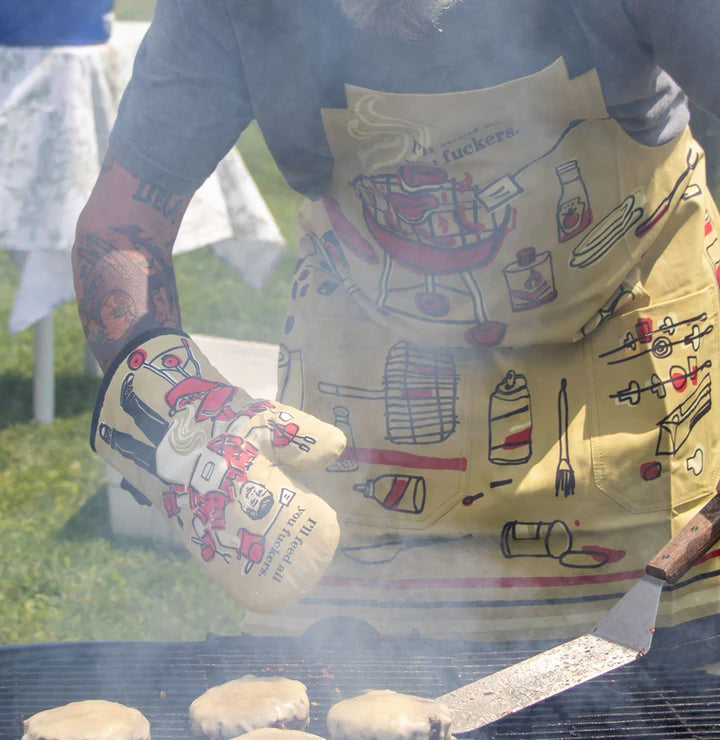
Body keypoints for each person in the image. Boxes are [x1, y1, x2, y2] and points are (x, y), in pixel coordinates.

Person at [73, 0, 720, 642]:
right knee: (342, 690)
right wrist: (184, 416)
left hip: (634, 392)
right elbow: (123, 227)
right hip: (374, 416)